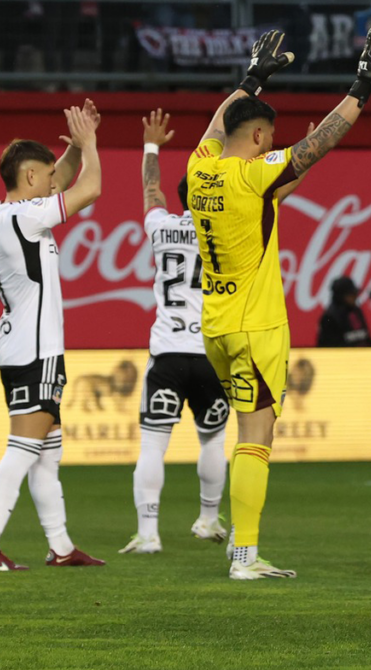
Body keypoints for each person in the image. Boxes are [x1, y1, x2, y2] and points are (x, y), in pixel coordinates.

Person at [187, 27, 371, 580]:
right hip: (255, 328)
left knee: (250, 428)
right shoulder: (255, 174)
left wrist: (252, 77)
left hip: (217, 327)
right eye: (268, 138)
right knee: (257, 435)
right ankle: (245, 557)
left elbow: (216, 127)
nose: (273, 145)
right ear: (257, 137)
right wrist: (362, 87)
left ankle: (241, 550)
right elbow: (319, 142)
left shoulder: (199, 169)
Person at [0, 101, 106, 571]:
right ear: (29, 180)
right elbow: (89, 188)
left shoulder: (1, 212)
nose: (52, 182)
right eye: (45, 176)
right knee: (24, 449)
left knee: (47, 451)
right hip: (36, 350)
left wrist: (69, 150)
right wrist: (88, 146)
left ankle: (61, 547)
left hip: (18, 345)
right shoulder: (26, 217)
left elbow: (61, 181)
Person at [119, 110, 232, 555]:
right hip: (210, 352)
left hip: (166, 352)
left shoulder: (161, 226)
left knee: (152, 444)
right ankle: (206, 519)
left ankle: (148, 533)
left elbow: (151, 189)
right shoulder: (225, 231)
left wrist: (151, 146)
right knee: (214, 440)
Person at [316, 276, 371, 347]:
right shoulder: (329, 318)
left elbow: (365, 338)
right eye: (351, 294)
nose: (355, 297)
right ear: (341, 296)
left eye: (355, 293)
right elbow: (329, 347)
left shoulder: (356, 311)